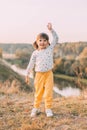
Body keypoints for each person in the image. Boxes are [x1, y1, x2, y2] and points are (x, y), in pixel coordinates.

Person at [26, 23, 58, 117]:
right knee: (38, 92)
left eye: (45, 40)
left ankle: (48, 108)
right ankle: (35, 108)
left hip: (48, 74)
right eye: (40, 40)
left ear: (48, 42)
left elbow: (56, 39)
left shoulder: (49, 49)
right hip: (39, 75)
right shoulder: (35, 53)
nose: (42, 42)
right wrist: (27, 74)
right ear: (36, 41)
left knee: (48, 92)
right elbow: (31, 64)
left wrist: (51, 30)